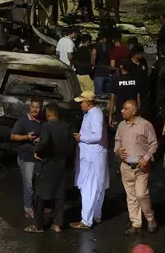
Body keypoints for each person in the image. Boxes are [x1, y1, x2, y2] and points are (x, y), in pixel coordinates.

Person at [25, 103, 75, 234]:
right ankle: (58, 225)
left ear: (48, 115)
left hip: (48, 164)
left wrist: (37, 150)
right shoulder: (66, 126)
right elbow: (71, 145)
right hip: (62, 165)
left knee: (40, 195)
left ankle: (38, 225)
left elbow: (44, 142)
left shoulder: (47, 127)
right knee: (59, 196)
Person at [114, 100, 158, 234]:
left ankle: (150, 218)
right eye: (122, 108)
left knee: (141, 194)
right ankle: (136, 223)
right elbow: (117, 141)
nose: (122, 111)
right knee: (131, 196)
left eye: (125, 109)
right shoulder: (121, 125)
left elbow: (154, 144)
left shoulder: (145, 125)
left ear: (134, 111)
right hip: (126, 166)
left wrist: (146, 158)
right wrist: (117, 150)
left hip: (141, 167)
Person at [70, 91, 109, 230]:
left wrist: (81, 138)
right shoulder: (92, 114)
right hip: (93, 156)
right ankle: (96, 215)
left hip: (92, 157)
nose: (80, 105)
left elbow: (97, 135)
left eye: (81, 102)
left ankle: (86, 220)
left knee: (89, 187)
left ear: (88, 102)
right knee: (96, 186)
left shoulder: (95, 115)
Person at [11, 97, 45, 219]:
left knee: (38, 184)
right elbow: (13, 136)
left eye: (37, 107)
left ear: (41, 108)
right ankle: (29, 209)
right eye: (33, 106)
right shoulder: (23, 121)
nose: (35, 109)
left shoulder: (43, 121)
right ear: (29, 107)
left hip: (39, 157)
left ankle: (38, 206)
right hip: (26, 157)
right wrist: (26, 137)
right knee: (29, 184)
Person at [108, 60, 141, 127]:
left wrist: (110, 115)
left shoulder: (116, 81)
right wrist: (139, 113)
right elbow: (138, 98)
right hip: (133, 113)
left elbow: (112, 99)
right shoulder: (135, 81)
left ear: (121, 67)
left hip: (121, 113)